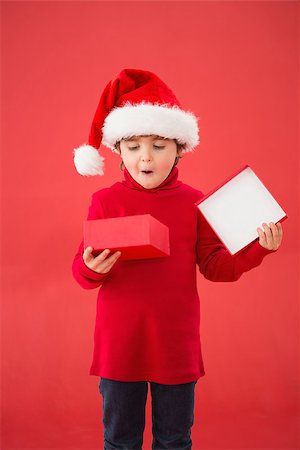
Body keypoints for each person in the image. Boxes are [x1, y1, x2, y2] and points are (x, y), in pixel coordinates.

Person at [71, 68, 283, 450]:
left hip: (175, 346)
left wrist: (257, 249)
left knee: (174, 440)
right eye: (134, 147)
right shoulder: (104, 202)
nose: (146, 157)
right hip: (119, 345)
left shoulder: (195, 203)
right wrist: (90, 267)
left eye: (159, 145)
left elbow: (217, 267)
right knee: (120, 441)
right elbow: (81, 270)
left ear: (179, 148)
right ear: (118, 151)